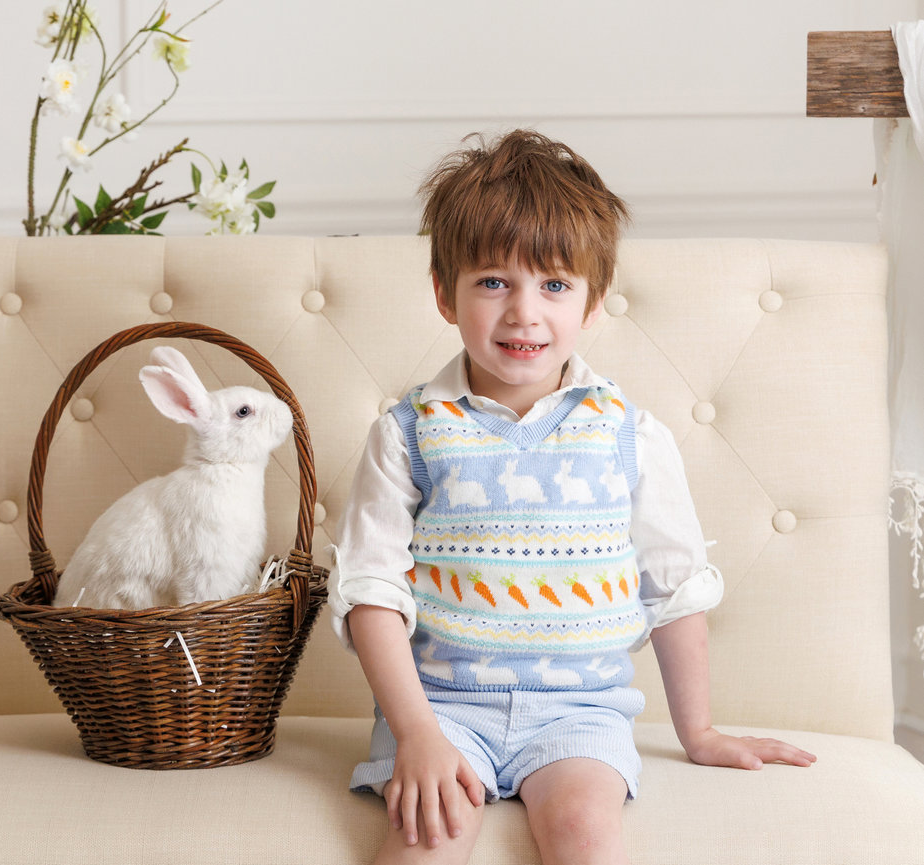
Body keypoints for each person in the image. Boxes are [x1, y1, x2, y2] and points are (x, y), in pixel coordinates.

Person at [327, 129, 816, 865]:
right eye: (494, 281)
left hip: (577, 715)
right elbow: (370, 590)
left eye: (554, 285)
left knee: (586, 834)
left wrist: (701, 731)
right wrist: (418, 733)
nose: (524, 312)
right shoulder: (407, 432)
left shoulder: (628, 433)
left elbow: (673, 587)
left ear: (591, 305)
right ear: (443, 292)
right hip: (442, 710)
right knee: (425, 838)